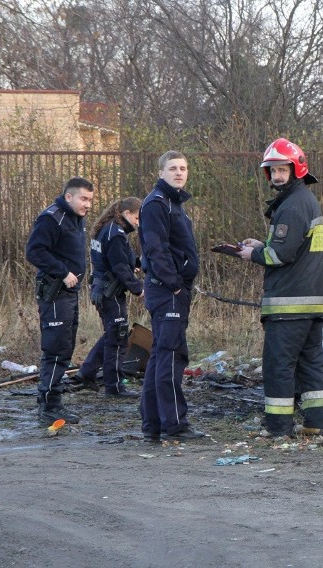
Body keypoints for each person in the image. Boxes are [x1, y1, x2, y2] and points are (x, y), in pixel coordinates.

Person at [238, 138, 323, 438]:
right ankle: (317, 423)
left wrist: (252, 253)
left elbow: (281, 255)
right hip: (310, 303)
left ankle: (278, 428)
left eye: (282, 170)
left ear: (296, 169)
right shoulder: (305, 200)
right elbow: (295, 247)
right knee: (311, 365)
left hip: (288, 304)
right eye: (273, 171)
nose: (277, 176)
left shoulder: (292, 206)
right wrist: (262, 244)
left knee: (279, 366)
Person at [138, 151, 206, 442]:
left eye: (183, 168)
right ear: (161, 172)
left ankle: (154, 424)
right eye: (173, 168)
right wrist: (175, 284)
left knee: (161, 357)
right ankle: (174, 424)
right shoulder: (157, 204)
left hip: (173, 290)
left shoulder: (173, 203)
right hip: (168, 292)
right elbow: (155, 248)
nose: (179, 173)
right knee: (170, 357)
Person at [25, 176, 94, 424]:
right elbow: (34, 251)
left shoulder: (76, 219)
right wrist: (62, 272)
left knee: (65, 346)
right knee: (55, 348)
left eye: (90, 200)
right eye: (83, 199)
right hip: (54, 292)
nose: (88, 204)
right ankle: (49, 406)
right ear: (69, 197)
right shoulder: (52, 218)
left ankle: (53, 401)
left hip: (69, 294)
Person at [73, 197, 144, 398]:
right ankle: (114, 387)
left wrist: (137, 264)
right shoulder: (116, 234)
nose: (139, 222)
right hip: (109, 292)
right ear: (126, 214)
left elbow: (120, 259)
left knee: (111, 334)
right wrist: (138, 289)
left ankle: (86, 373)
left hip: (102, 289)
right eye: (137, 217)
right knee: (118, 338)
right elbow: (120, 267)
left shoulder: (108, 229)